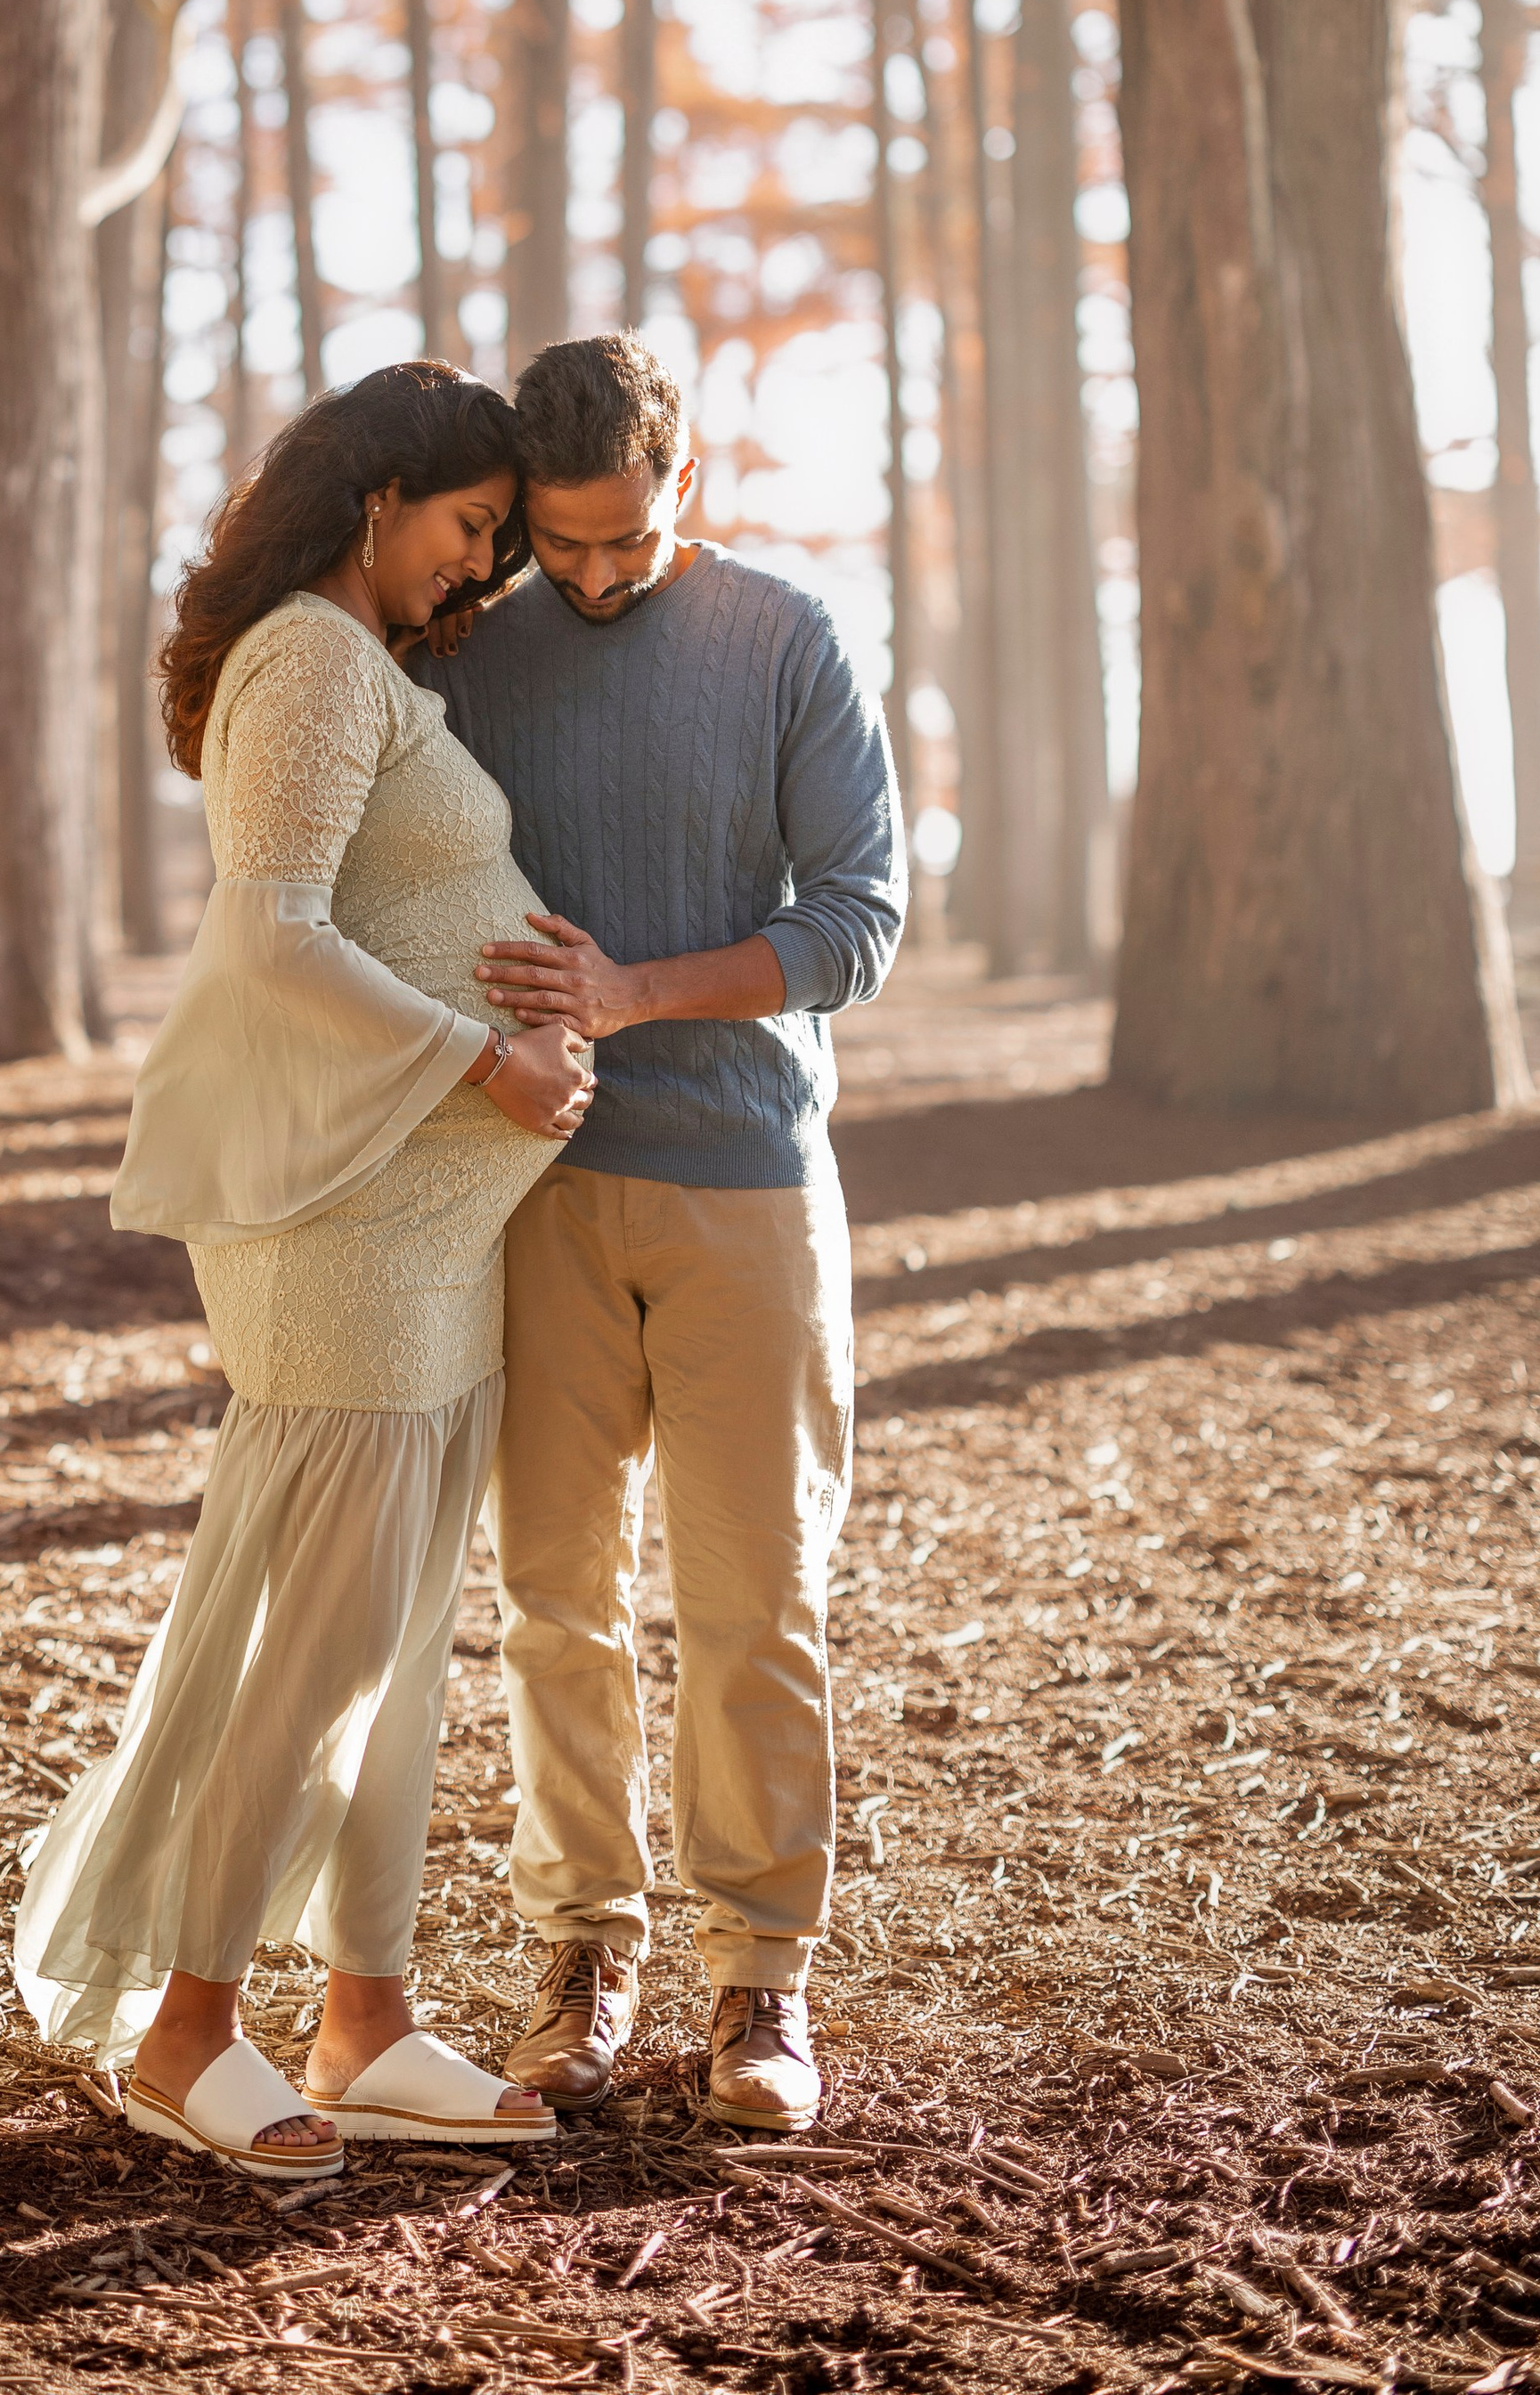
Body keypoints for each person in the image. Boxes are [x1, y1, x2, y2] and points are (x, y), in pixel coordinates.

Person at [14, 360, 594, 2183]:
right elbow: (266, 939)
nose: (478, 568)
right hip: (348, 1232)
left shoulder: (371, 667)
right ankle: (186, 2027)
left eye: (498, 539)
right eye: (466, 526)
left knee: (408, 1634)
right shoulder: (310, 659)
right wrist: (480, 1059)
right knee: (323, 1637)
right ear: (373, 497)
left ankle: (363, 2014)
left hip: (437, 1232)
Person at [420, 331, 905, 2131]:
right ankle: (581, 1954)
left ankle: (757, 1985)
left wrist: (628, 995)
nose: (601, 576)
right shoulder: (477, 655)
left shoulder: (782, 638)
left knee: (749, 1601)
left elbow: (854, 922)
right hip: (527, 1192)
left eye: (628, 538)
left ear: (679, 475)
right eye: (566, 548)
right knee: (553, 1598)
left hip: (746, 1187)